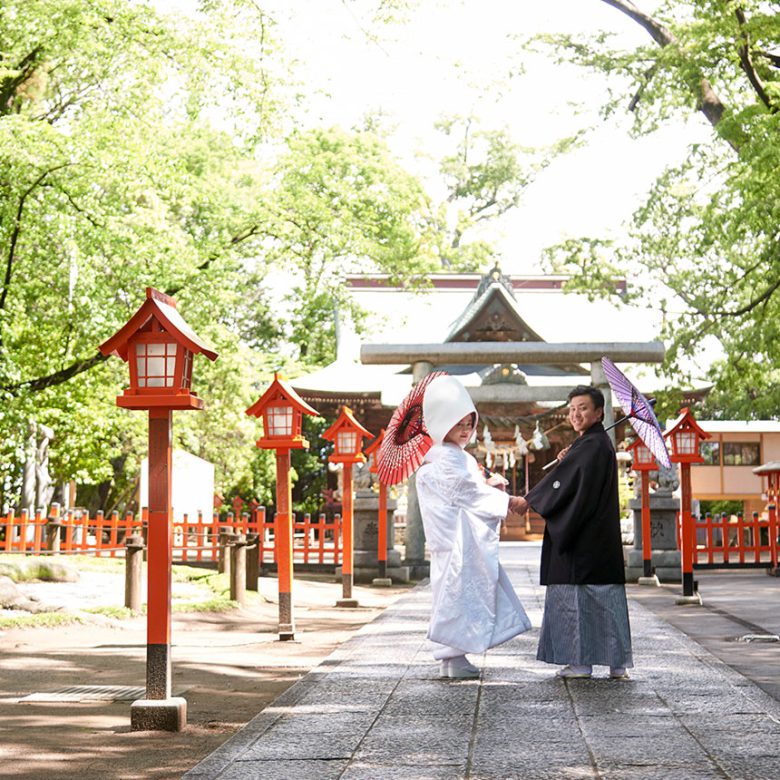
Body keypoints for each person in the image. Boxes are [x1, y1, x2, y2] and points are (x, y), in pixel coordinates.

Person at [513, 385, 633, 680]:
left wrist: (529, 500)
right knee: (607, 601)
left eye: (582, 408)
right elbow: (572, 473)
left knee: (578, 602)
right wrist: (571, 455)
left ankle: (580, 662)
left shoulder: (591, 446)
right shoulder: (595, 444)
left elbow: (565, 482)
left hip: (582, 539)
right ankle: (617, 663)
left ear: (599, 413)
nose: (575, 414)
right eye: (571, 409)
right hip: (599, 539)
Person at [416, 374, 531, 679]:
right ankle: (453, 657)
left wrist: (486, 483)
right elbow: (465, 493)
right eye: (459, 424)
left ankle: (453, 657)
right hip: (458, 543)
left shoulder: (449, 457)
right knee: (457, 597)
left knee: (456, 597)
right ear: (442, 423)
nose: (466, 430)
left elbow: (466, 490)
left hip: (456, 542)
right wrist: (506, 501)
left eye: (470, 424)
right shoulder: (446, 459)